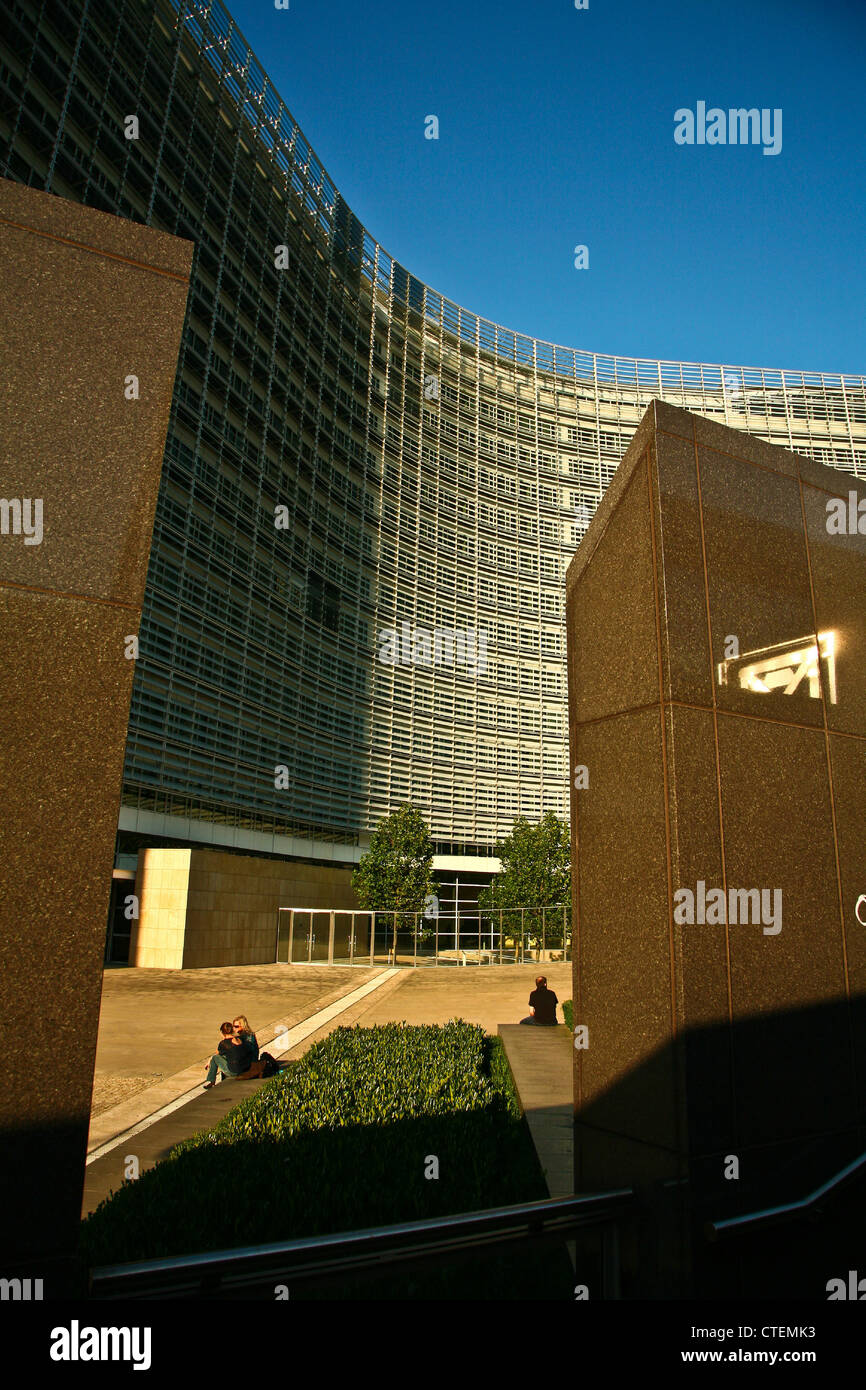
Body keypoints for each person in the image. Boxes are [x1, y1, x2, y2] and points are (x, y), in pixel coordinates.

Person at [203, 1020, 255, 1088]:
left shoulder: (223, 1043)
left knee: (215, 1058)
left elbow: (216, 1055)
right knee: (226, 1054)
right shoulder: (239, 1039)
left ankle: (211, 1081)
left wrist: (209, 1062)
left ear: (222, 1032)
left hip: (234, 1072)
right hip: (244, 1069)